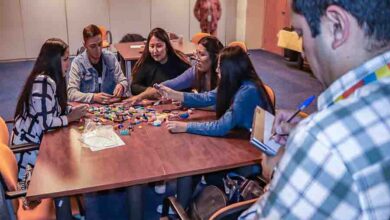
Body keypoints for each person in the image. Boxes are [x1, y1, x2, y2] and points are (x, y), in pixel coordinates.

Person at [240, 0, 390, 219]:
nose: (301, 51)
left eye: (300, 34)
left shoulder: (324, 142)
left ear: (336, 26)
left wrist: (277, 172)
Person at [12, 38, 87, 178]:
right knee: (68, 172)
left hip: (39, 145)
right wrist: (70, 117)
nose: (68, 63)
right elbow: (47, 123)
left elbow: (56, 108)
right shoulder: (43, 82)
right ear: (54, 61)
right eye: (65, 59)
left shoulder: (51, 79)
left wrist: (73, 111)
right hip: (30, 158)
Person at [159, 46, 275, 136]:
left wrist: (185, 127)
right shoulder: (234, 81)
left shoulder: (247, 91)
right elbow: (207, 97)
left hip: (251, 147)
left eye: (220, 67)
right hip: (239, 134)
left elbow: (221, 127)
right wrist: (174, 94)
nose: (216, 70)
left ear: (230, 70)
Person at [126, 35, 223, 105]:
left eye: (201, 55)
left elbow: (213, 103)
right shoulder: (195, 71)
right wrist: (139, 97)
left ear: (215, 58)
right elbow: (168, 85)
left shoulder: (224, 76)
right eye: (196, 53)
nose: (196, 58)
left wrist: (181, 98)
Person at [68, 24, 128, 104]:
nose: (98, 50)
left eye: (100, 44)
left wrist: (122, 86)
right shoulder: (77, 63)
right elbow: (71, 93)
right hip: (88, 108)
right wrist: (94, 97)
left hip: (111, 107)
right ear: (85, 45)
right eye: (93, 46)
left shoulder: (110, 58)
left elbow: (123, 81)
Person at [129, 27, 191, 97]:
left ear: (167, 47)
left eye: (159, 46)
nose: (155, 51)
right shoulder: (146, 62)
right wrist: (149, 91)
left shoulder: (179, 62)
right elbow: (134, 87)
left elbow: (189, 86)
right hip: (152, 103)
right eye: (152, 46)